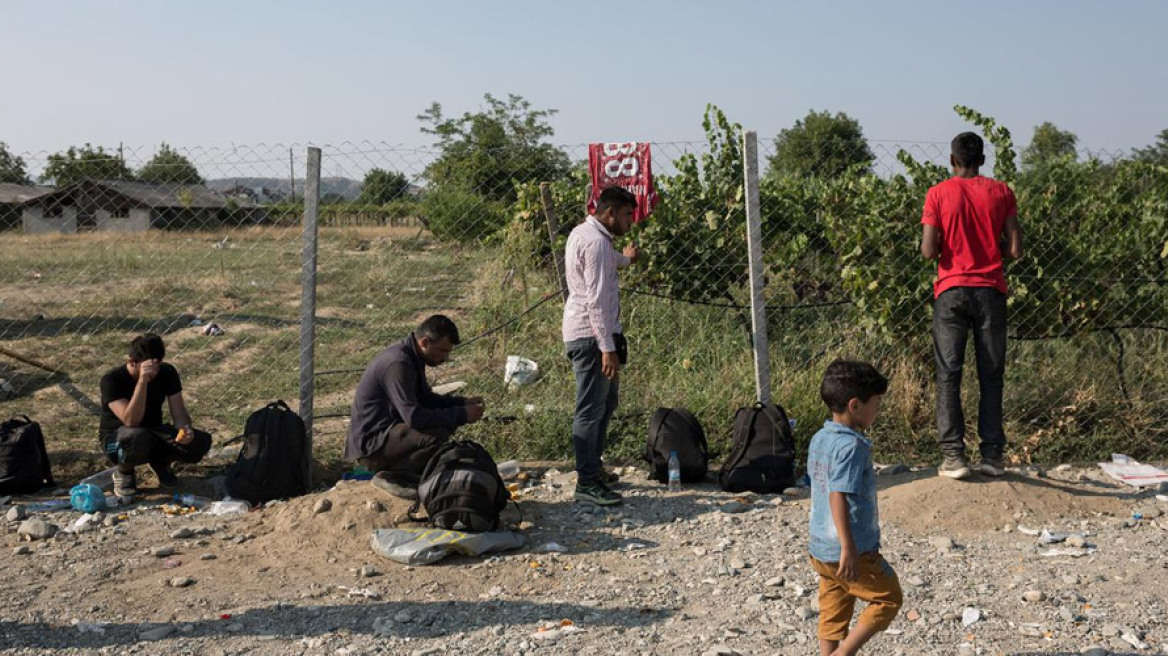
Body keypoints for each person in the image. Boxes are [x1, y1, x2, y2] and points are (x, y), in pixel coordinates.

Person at [921, 131, 1025, 479]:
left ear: (952, 160)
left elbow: (927, 250)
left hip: (950, 291)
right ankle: (992, 456)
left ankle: (954, 457)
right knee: (991, 375)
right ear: (982, 160)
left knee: (949, 373)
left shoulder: (937, 194)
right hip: (990, 291)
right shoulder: (1001, 192)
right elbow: (1014, 250)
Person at [807, 360, 902, 656]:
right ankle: (843, 653)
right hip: (851, 549)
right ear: (855, 405)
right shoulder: (852, 447)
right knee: (888, 597)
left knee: (833, 608)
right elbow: (837, 494)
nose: (878, 410)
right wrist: (848, 547)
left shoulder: (820, 439)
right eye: (876, 403)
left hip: (821, 549)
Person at [345, 314, 484, 499]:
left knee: (445, 423)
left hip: (387, 435)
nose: (445, 358)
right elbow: (414, 417)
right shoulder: (398, 362)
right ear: (425, 342)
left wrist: (461, 403)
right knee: (435, 434)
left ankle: (408, 472)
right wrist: (461, 414)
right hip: (371, 446)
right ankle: (389, 475)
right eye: (442, 351)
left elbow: (425, 399)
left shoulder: (412, 356)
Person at [562, 185, 640, 506]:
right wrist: (607, 347)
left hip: (596, 335)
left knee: (605, 404)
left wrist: (627, 260)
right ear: (609, 212)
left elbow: (607, 264)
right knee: (591, 409)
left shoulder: (591, 237)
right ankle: (587, 482)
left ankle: (593, 468)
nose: (630, 222)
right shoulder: (595, 242)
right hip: (593, 337)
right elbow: (594, 301)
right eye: (626, 215)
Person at [99, 333, 212, 498]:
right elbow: (131, 420)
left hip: (152, 431)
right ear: (132, 362)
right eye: (149, 368)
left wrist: (185, 430)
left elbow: (179, 413)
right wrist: (142, 382)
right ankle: (124, 472)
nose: (155, 373)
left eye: (157, 366)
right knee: (136, 436)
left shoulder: (166, 372)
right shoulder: (111, 380)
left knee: (200, 442)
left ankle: (160, 461)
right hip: (118, 439)